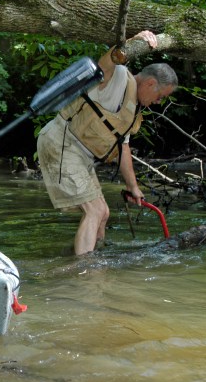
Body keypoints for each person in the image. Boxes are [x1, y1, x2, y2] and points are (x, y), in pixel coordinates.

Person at [37, 30, 178, 256]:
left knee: (103, 213)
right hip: (61, 142)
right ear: (151, 83)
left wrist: (133, 187)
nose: (158, 102)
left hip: (80, 153)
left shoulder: (132, 112)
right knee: (94, 210)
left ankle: (93, 256)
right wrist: (134, 42)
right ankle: (84, 270)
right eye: (161, 96)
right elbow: (107, 61)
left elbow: (123, 148)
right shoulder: (119, 79)